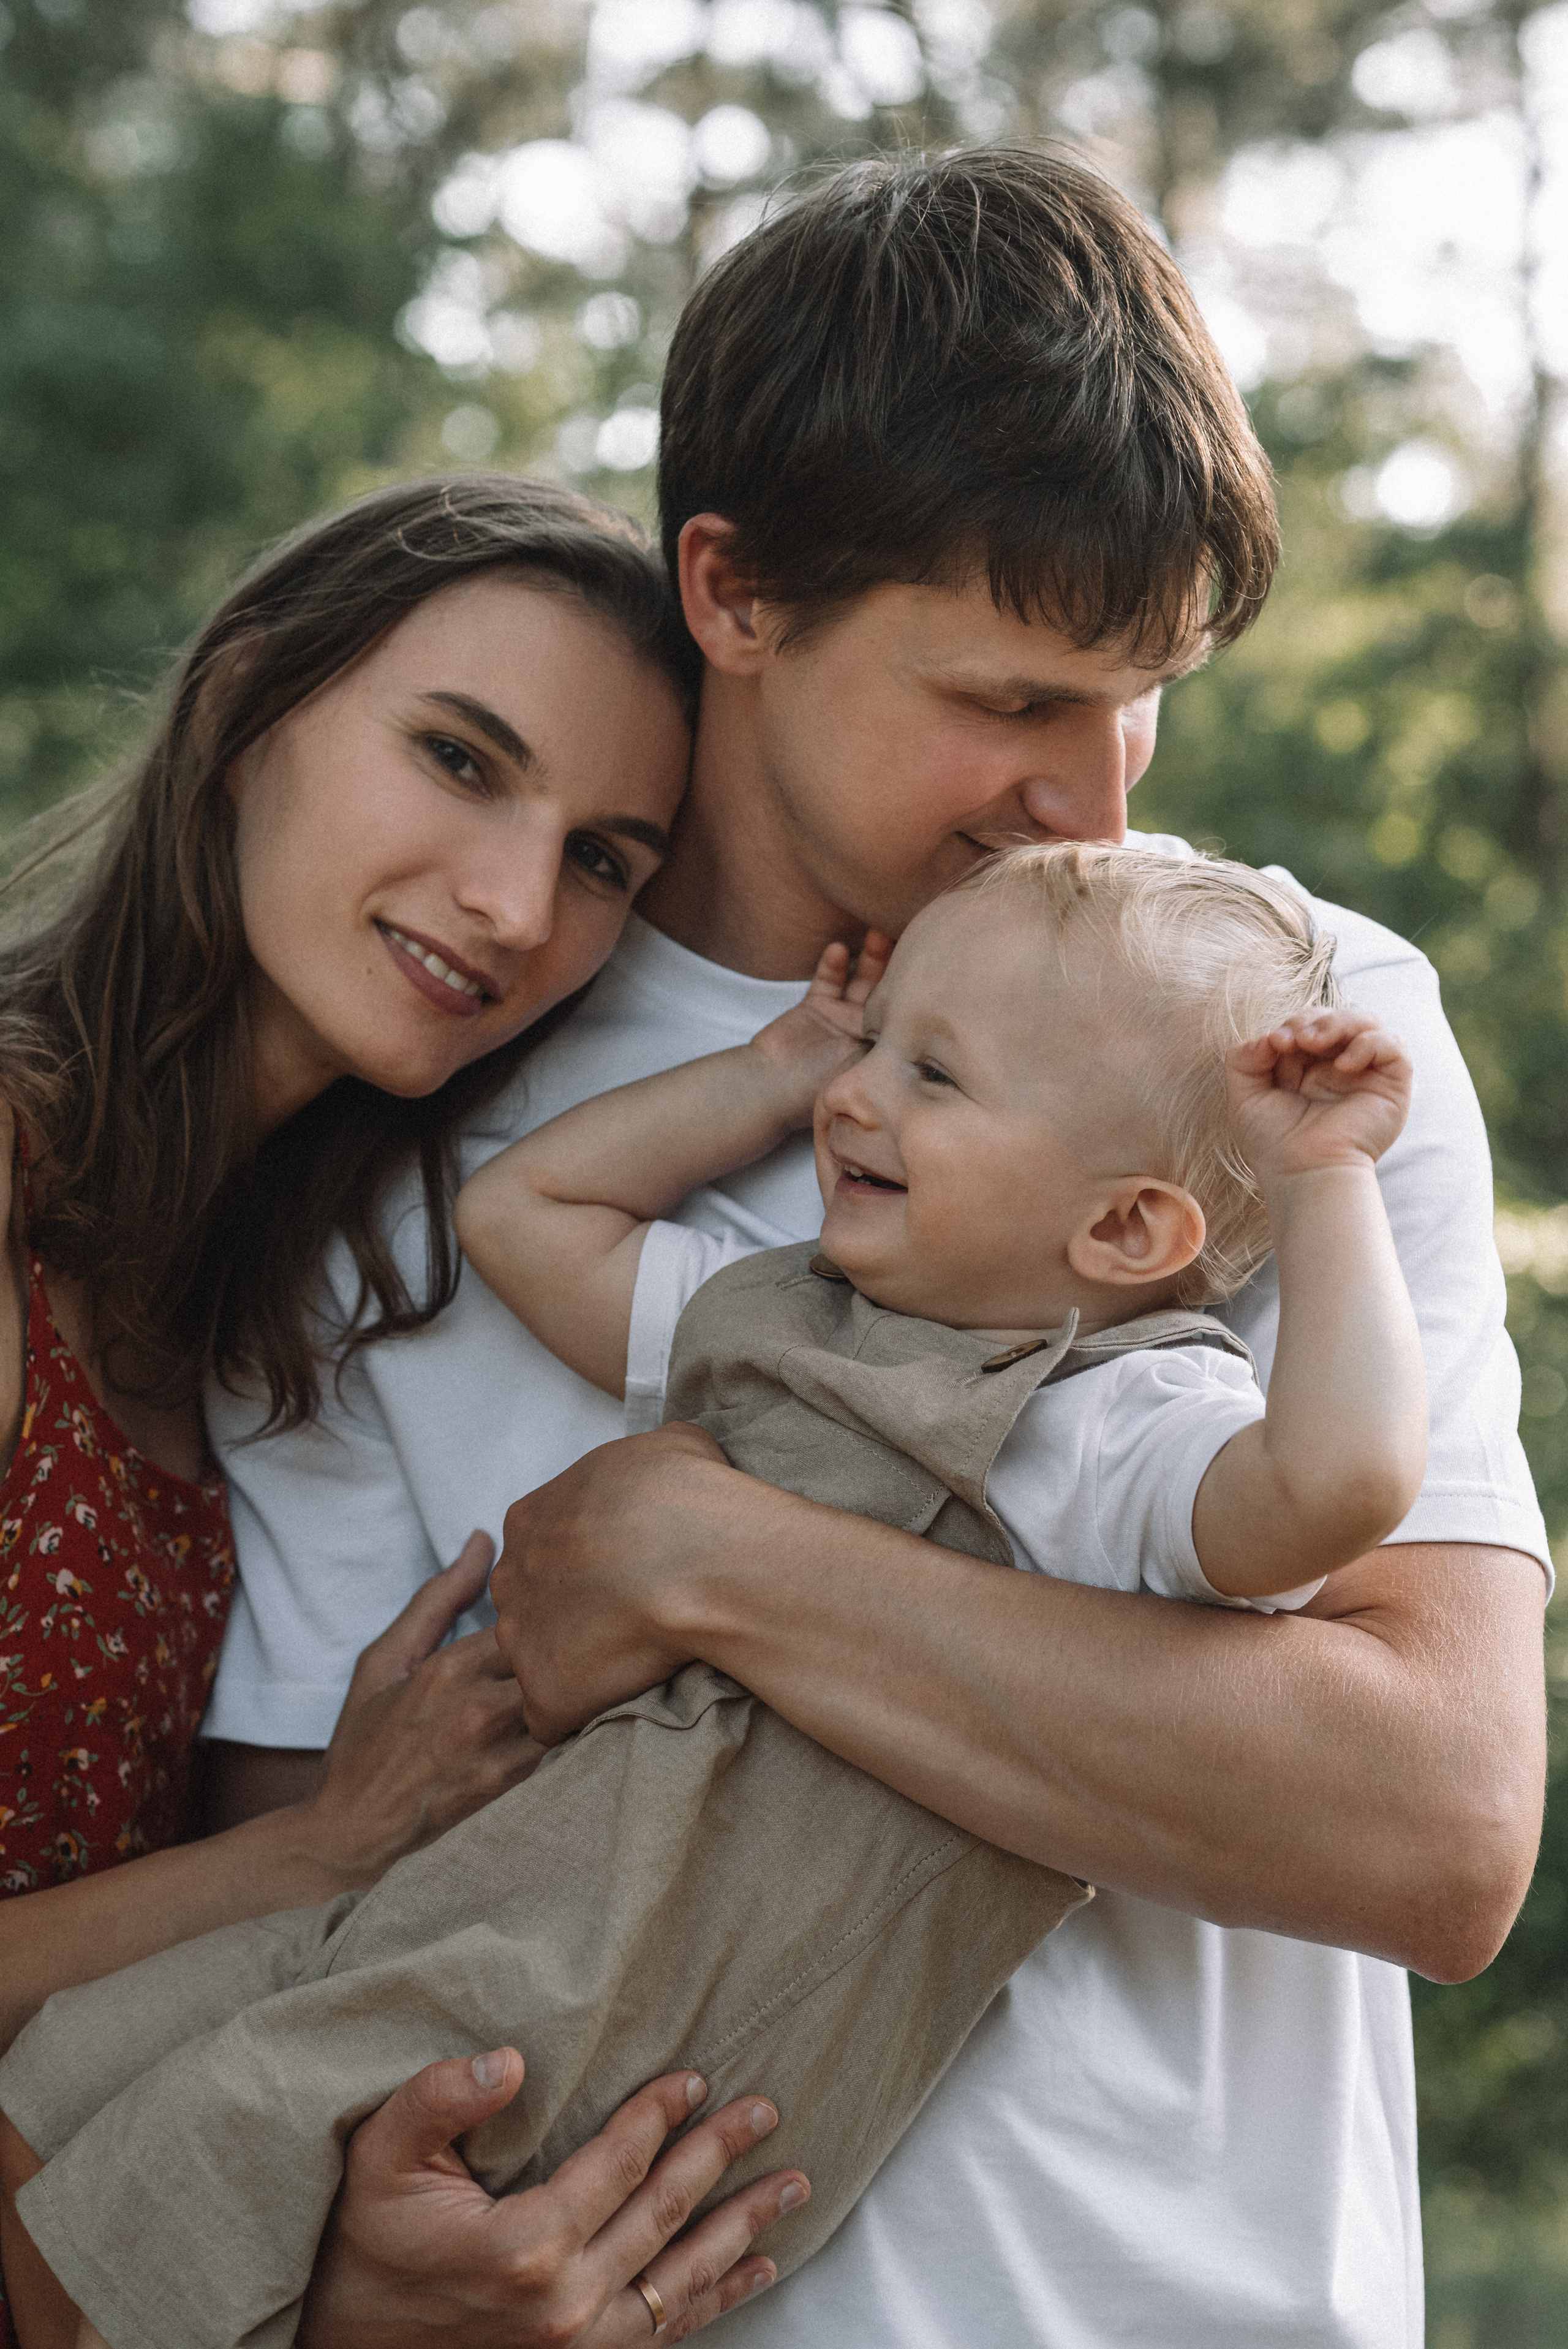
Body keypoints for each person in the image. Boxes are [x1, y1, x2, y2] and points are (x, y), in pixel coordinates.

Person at [21, 145, 1550, 2345]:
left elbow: (1430, 1827)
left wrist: (713, 1562)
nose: (1099, 803)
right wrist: (363, 2278)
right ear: (732, 592)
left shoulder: (1280, 1038)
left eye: (1147, 690)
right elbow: (317, 1900)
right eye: (1012, 700)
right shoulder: (402, 1130)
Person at [0, 842, 1439, 2349]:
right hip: (481, 1902)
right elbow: (525, 1213)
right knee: (52, 2093)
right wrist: (773, 1068)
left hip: (629, 1998)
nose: (857, 1099)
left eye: (933, 1078)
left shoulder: (1111, 1425)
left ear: (1125, 1233)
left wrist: (1323, 1179)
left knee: (152, 2221)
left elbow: (1332, 1488)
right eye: (874, 1046)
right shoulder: (779, 1301)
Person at [0, 472, 804, 2349]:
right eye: (458, 760)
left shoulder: (243, 1305)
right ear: (247, 704)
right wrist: (314, 1850)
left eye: (604, 856)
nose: (517, 904)